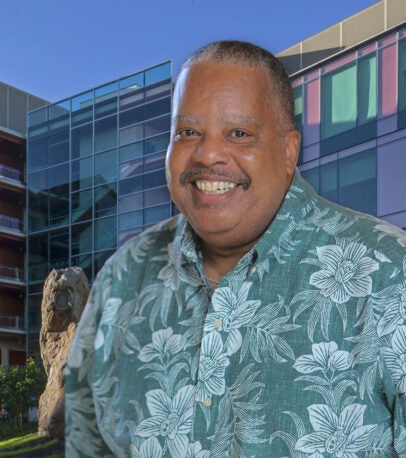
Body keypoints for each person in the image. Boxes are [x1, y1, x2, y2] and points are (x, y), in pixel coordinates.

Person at [64, 40, 406, 457]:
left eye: (239, 133)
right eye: (188, 132)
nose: (208, 154)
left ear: (288, 151)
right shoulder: (121, 277)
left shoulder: (390, 274)